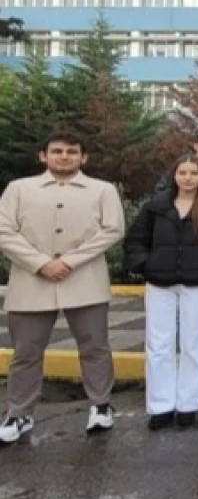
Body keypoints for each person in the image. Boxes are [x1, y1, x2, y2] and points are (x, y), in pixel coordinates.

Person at [0, 132, 126, 444]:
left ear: (84, 157)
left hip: (85, 279)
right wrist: (40, 263)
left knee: (94, 347)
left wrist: (69, 261)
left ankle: (101, 406)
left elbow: (113, 230)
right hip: (31, 280)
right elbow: (4, 231)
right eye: (57, 151)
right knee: (26, 353)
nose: (64, 156)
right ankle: (19, 413)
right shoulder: (19, 189)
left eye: (72, 151)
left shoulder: (102, 190)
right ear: (43, 156)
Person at [124, 154, 198, 430]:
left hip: (197, 284)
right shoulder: (156, 207)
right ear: (174, 175)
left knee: (193, 344)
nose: (188, 178)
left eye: (193, 173)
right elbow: (136, 241)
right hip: (159, 283)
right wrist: (146, 266)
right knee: (158, 345)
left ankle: (189, 404)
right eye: (182, 172)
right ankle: (161, 405)